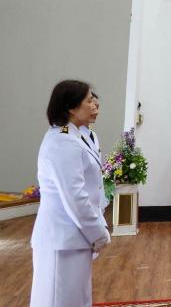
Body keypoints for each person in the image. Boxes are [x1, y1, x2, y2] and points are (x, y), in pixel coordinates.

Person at [31, 80, 110, 307]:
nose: (95, 103)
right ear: (71, 108)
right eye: (88, 100)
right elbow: (75, 197)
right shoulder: (62, 141)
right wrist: (98, 233)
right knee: (59, 300)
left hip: (73, 238)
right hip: (62, 239)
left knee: (76, 299)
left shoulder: (77, 134)